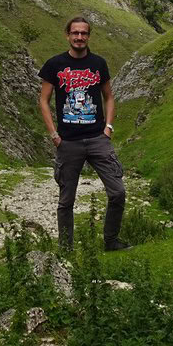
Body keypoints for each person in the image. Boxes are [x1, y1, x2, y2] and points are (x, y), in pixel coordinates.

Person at [38, 15, 129, 252]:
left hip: (98, 139)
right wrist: (54, 135)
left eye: (84, 33)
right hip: (68, 142)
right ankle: (66, 248)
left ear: (89, 36)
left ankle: (111, 241)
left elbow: (108, 96)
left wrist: (108, 127)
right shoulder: (54, 65)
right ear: (67, 35)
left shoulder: (98, 63)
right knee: (66, 201)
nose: (79, 37)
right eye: (75, 33)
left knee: (118, 192)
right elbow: (43, 100)